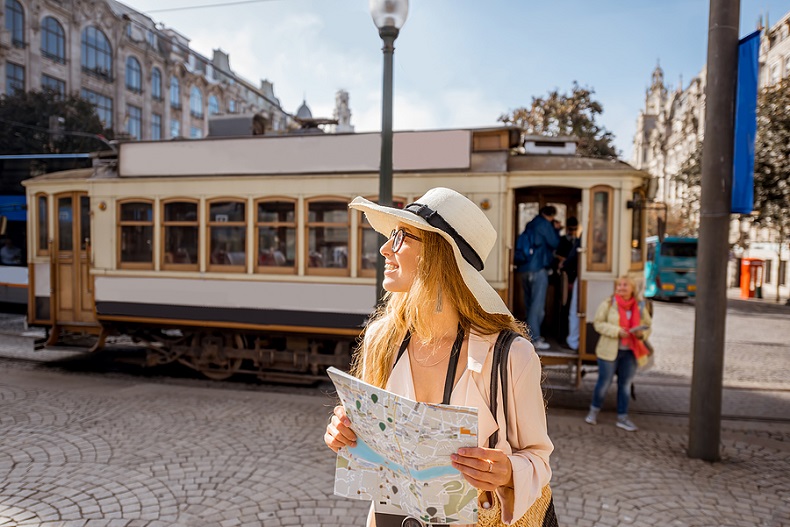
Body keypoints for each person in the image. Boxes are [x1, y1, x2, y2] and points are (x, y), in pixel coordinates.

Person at [324, 188, 554, 527]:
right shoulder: (381, 340)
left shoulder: (511, 356)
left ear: (439, 255)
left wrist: (507, 472)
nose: (386, 248)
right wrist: (343, 433)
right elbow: (369, 445)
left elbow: (539, 460)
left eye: (401, 236)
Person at [585, 276, 652, 432]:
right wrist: (617, 331)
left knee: (625, 385)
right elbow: (598, 323)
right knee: (604, 383)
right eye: (619, 285)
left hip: (630, 352)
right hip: (608, 351)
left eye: (625, 285)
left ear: (632, 289)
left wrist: (641, 335)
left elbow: (647, 326)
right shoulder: (609, 303)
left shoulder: (640, 306)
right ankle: (593, 413)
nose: (621, 288)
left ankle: (622, 418)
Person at [516, 206, 561, 351]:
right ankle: (534, 339)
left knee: (530, 305)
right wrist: (556, 229)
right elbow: (555, 243)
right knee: (537, 307)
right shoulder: (545, 225)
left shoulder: (531, 223)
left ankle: (529, 335)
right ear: (552, 215)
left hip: (524, 269)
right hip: (538, 269)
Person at [557, 218, 581, 351]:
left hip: (574, 277)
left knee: (573, 309)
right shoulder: (563, 240)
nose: (572, 232)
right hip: (566, 279)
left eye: (574, 229)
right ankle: (566, 338)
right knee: (566, 308)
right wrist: (564, 263)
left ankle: (572, 339)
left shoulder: (578, 240)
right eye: (570, 229)